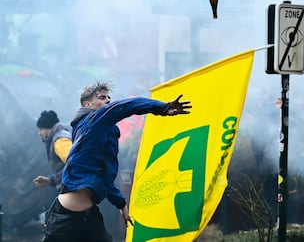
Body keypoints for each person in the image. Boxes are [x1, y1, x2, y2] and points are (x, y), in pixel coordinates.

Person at [42, 80, 192, 242]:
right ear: (88, 104)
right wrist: (161, 107)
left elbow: (102, 177)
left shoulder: (101, 134)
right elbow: (125, 106)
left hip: (88, 215)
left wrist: (121, 204)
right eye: (102, 97)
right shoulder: (92, 121)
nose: (107, 100)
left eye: (108, 97)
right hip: (65, 218)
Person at [33, 110, 72, 190]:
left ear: (48, 127)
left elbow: (75, 162)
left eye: (40, 129)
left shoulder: (60, 141)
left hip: (72, 189)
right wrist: (51, 180)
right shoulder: (61, 135)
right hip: (70, 188)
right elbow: (65, 168)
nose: (39, 133)